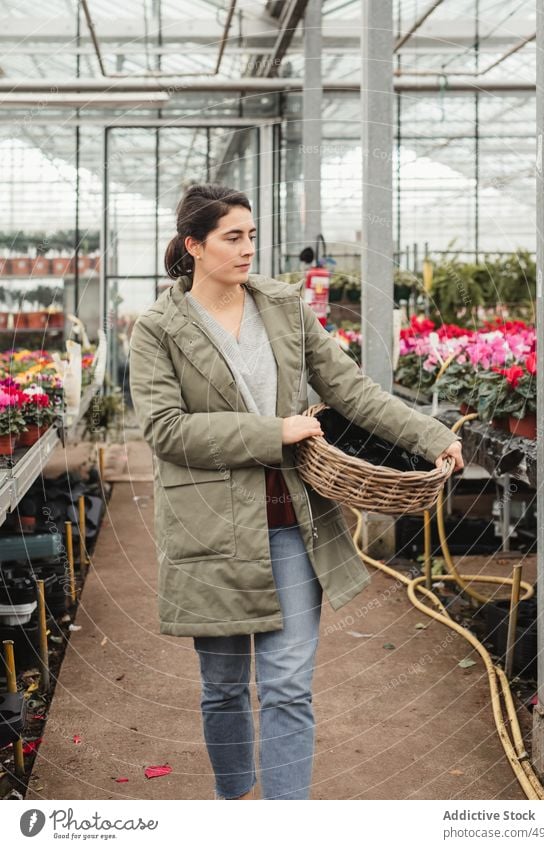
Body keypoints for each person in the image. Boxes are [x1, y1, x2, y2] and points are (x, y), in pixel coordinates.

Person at [128, 183, 464, 801]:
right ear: (194, 246)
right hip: (211, 530)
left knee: (287, 686)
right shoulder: (158, 330)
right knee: (225, 687)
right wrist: (273, 431)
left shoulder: (283, 307)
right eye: (232, 237)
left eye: (252, 235)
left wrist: (432, 434)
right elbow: (165, 430)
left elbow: (352, 391)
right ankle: (234, 801)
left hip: (291, 522)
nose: (247, 248)